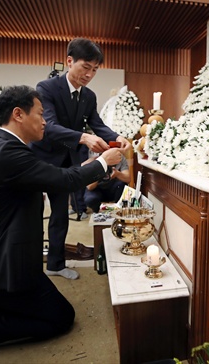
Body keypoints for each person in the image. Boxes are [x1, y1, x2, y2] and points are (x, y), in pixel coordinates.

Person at [0, 85, 122, 363]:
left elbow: (57, 174)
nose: (45, 121)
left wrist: (92, 164)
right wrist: (103, 163)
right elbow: (65, 181)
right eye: (40, 113)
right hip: (5, 270)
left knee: (43, 308)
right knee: (61, 318)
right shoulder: (9, 152)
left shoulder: (3, 145)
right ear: (18, 114)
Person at [31, 38, 131, 280]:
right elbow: (49, 126)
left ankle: (55, 264)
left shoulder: (89, 96)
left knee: (59, 215)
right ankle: (28, 265)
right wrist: (83, 138)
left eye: (95, 69)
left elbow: (96, 124)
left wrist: (118, 136)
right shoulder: (46, 88)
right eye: (86, 67)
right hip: (42, 158)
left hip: (68, 161)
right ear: (69, 61)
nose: (90, 74)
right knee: (31, 214)